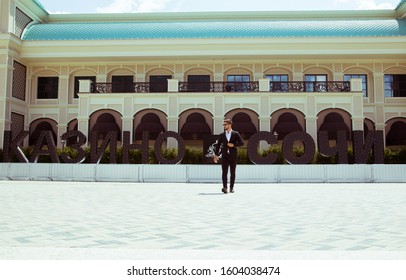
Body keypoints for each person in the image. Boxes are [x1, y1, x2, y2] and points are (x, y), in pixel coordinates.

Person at [213, 119, 244, 194]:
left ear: (230, 125)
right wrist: (216, 155)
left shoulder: (235, 134)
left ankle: (231, 187)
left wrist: (234, 145)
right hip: (224, 156)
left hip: (233, 156)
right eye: (223, 125)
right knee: (224, 172)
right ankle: (225, 187)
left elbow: (242, 143)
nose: (224, 126)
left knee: (232, 172)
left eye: (225, 124)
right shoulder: (222, 135)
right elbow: (218, 146)